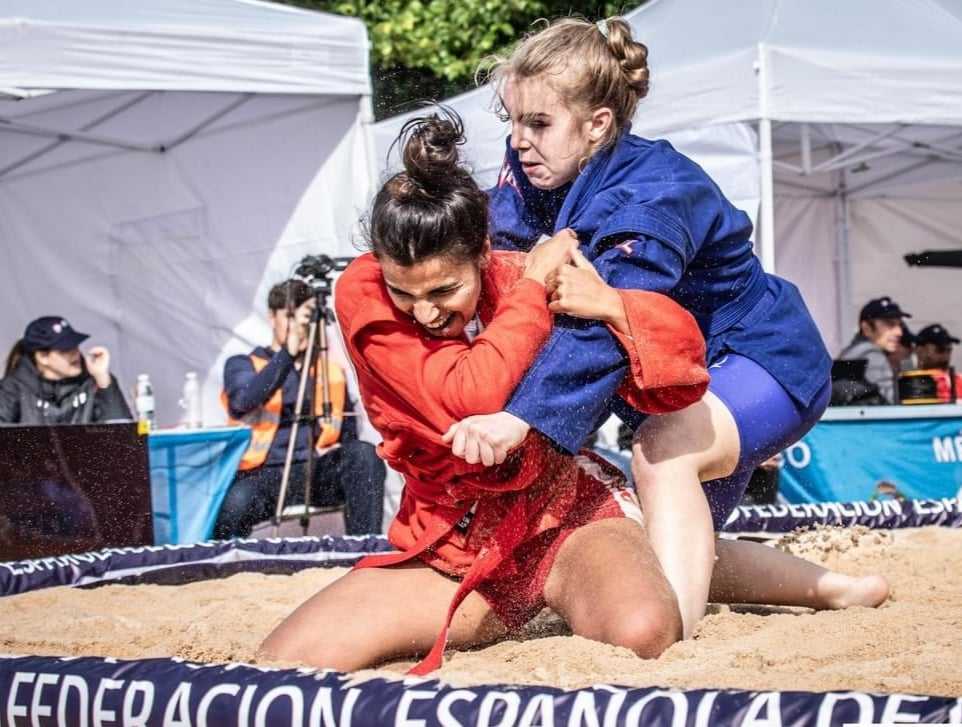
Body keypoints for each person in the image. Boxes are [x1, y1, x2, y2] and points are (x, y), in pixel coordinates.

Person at [258, 113, 888, 675]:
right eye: (407, 295)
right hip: (451, 537)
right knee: (285, 660)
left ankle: (826, 588)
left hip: (565, 512)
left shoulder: (516, 274)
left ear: (481, 257)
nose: (423, 313)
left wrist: (611, 303)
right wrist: (534, 290)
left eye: (444, 292)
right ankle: (827, 586)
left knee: (647, 626)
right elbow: (464, 394)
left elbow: (680, 354)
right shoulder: (365, 291)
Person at [443, 16, 848, 639]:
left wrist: (519, 418)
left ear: (598, 124)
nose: (520, 141)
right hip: (684, 381)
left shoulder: (654, 195)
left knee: (659, 454)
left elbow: (599, 335)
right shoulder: (535, 167)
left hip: (765, 361)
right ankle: (845, 589)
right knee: (659, 548)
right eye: (513, 121)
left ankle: (674, 643)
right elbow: (498, 254)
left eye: (539, 124)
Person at [215, 279, 385, 538]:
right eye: (290, 316)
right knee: (234, 506)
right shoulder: (243, 364)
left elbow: (347, 432)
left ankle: (363, 548)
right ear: (272, 317)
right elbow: (242, 402)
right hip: (264, 472)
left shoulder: (329, 371)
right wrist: (287, 353)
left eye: (304, 318)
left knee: (364, 456)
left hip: (315, 470)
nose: (298, 326)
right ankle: (223, 567)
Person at [0, 316, 131, 424]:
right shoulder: (13, 388)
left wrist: (103, 379)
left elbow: (122, 434)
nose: (75, 353)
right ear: (42, 357)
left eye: (75, 346)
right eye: (65, 350)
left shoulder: (92, 383)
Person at [838, 296, 912, 404]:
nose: (899, 332)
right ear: (866, 328)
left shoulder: (851, 351)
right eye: (890, 324)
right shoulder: (872, 354)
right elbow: (893, 404)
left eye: (899, 325)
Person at [914, 323, 962, 402]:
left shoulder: (959, 381)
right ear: (920, 350)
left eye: (949, 351)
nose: (946, 357)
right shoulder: (906, 384)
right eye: (940, 350)